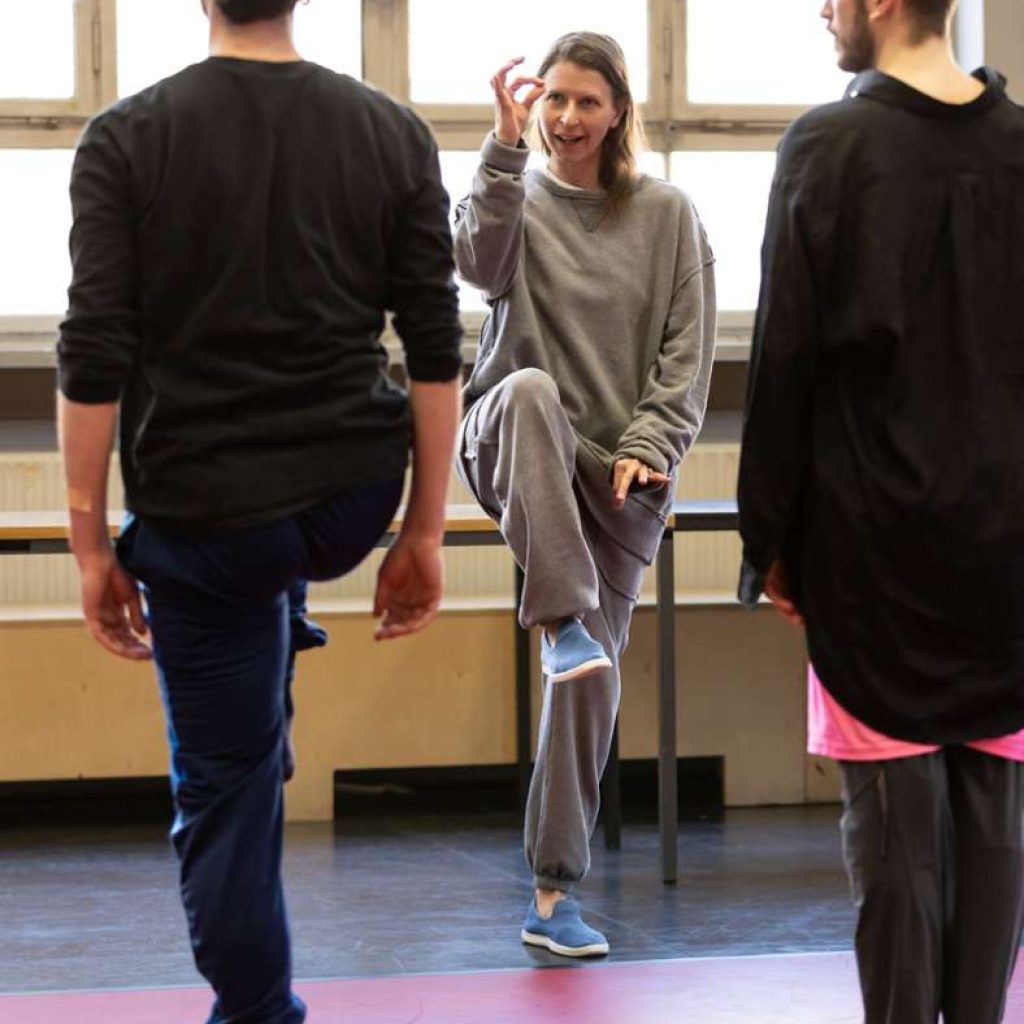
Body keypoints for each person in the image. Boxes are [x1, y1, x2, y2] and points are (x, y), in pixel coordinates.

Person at [56, 1, 462, 1021]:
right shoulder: (391, 132)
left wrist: (92, 548)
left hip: (214, 519)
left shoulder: (127, 137)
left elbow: (93, 351)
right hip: (347, 500)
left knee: (227, 789)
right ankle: (275, 636)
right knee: (261, 588)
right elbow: (433, 341)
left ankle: (257, 1012)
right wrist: (419, 530)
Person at [737, 1, 1024, 1020]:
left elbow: (783, 359)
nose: (822, 8)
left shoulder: (826, 145)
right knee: (994, 846)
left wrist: (764, 537)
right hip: (1005, 562)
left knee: (901, 862)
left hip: (871, 559)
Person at [453, 32, 716, 957]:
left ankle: (552, 900)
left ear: (618, 113)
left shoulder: (668, 215)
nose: (565, 118)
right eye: (551, 101)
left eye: (585, 103)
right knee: (527, 390)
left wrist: (649, 445)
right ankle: (562, 618)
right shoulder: (512, 193)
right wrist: (497, 146)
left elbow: (688, 354)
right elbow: (477, 269)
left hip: (617, 483)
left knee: (586, 693)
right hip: (511, 440)